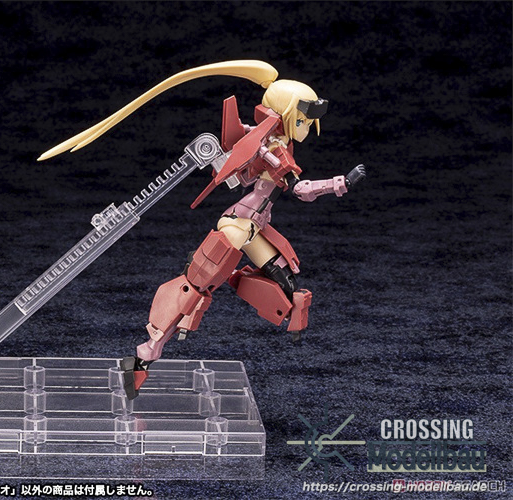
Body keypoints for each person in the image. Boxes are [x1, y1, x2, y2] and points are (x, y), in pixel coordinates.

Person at [40, 61, 366, 399]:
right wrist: (340, 183)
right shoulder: (271, 149)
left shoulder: (276, 142)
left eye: (309, 121)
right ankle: (144, 355)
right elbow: (300, 189)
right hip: (238, 225)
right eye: (303, 119)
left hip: (256, 227)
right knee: (195, 287)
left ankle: (242, 291)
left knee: (286, 279)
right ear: (284, 113)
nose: (306, 126)